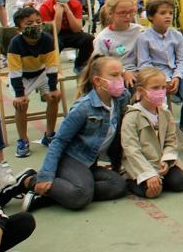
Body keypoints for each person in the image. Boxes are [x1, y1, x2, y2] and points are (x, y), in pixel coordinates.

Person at [16, 55, 129, 212]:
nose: (120, 80)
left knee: (118, 185)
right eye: (114, 75)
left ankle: (54, 195)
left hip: (90, 161)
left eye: (121, 74)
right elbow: (59, 141)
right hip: (71, 159)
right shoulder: (83, 108)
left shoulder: (120, 98)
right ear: (97, 81)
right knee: (80, 196)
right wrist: (46, 175)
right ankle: (29, 180)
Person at [136, 0, 183, 151]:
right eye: (162, 13)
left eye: (170, 12)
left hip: (175, 75)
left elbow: (182, 60)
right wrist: (163, 80)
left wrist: (176, 77)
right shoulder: (143, 38)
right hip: (155, 78)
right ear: (150, 16)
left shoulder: (176, 35)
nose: (168, 16)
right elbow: (144, 64)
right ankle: (163, 139)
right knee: (161, 106)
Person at [120, 67, 183, 198]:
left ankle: (158, 178)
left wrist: (166, 161)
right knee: (152, 191)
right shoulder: (132, 116)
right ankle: (131, 181)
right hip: (140, 164)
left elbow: (171, 141)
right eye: (155, 88)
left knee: (180, 183)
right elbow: (131, 149)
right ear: (141, 91)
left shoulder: (165, 113)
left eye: (163, 87)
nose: (161, 92)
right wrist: (148, 173)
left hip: (160, 161)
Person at [7, 7, 62, 158]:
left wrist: (53, 88)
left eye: (38, 21)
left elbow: (51, 66)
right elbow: (15, 72)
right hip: (22, 78)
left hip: (41, 74)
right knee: (21, 104)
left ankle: (49, 135)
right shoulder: (15, 44)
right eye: (29, 23)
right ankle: (23, 140)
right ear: (19, 28)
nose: (36, 25)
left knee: (53, 97)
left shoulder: (47, 39)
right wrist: (19, 94)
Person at [39, 0, 95, 74]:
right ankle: (51, 69)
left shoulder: (76, 4)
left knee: (89, 39)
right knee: (53, 43)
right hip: (55, 34)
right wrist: (58, 13)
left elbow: (77, 29)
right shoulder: (45, 7)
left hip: (72, 33)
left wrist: (68, 11)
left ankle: (80, 65)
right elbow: (54, 31)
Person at [94, 0, 143, 87]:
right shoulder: (103, 38)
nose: (128, 16)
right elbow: (100, 63)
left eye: (131, 11)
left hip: (142, 70)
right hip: (117, 74)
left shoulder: (140, 30)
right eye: (122, 13)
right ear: (111, 13)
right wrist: (123, 72)